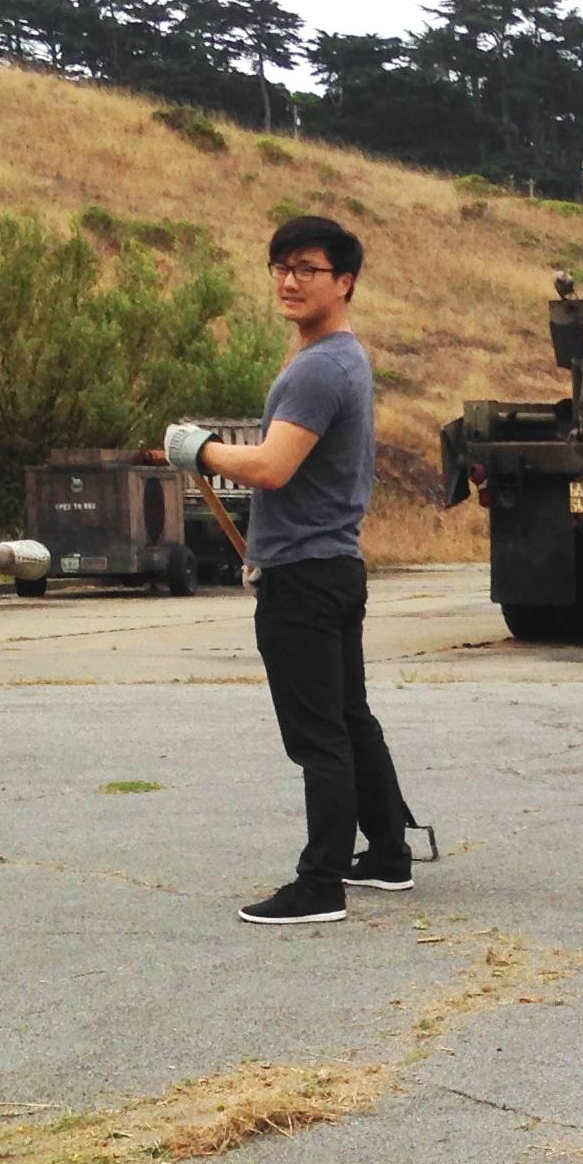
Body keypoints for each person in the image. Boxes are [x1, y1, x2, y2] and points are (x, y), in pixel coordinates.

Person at [164, 215, 415, 926]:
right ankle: (388, 854)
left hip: (303, 575)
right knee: (348, 716)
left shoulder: (317, 368)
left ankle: (321, 885)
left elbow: (271, 466)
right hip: (334, 563)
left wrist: (201, 449)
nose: (289, 280)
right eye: (281, 266)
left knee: (318, 736)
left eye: (308, 268)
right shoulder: (344, 359)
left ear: (346, 283)